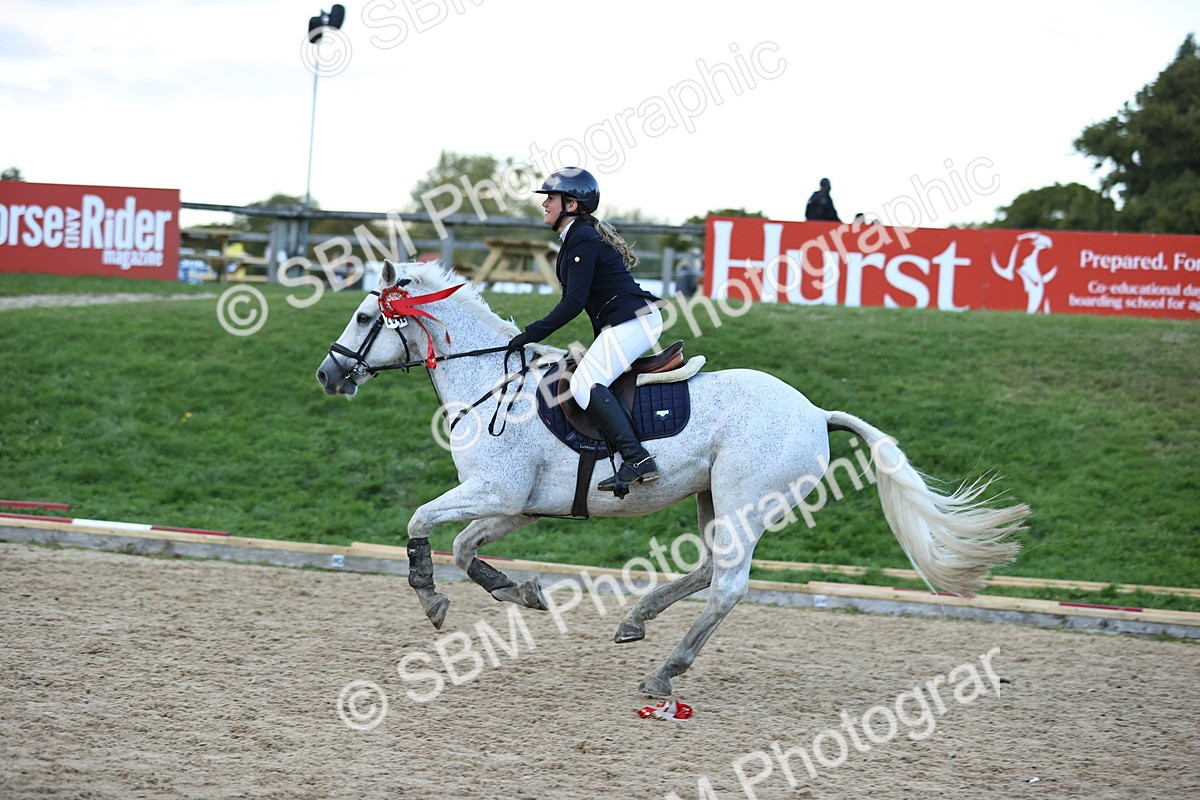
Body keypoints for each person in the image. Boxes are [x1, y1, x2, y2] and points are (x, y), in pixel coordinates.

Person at [507, 167, 663, 494]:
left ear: (573, 205)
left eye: (551, 198)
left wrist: (529, 334)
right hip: (627, 321)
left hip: (634, 321)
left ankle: (637, 459)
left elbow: (573, 303)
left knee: (584, 383)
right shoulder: (576, 237)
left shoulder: (581, 237)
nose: (545, 204)